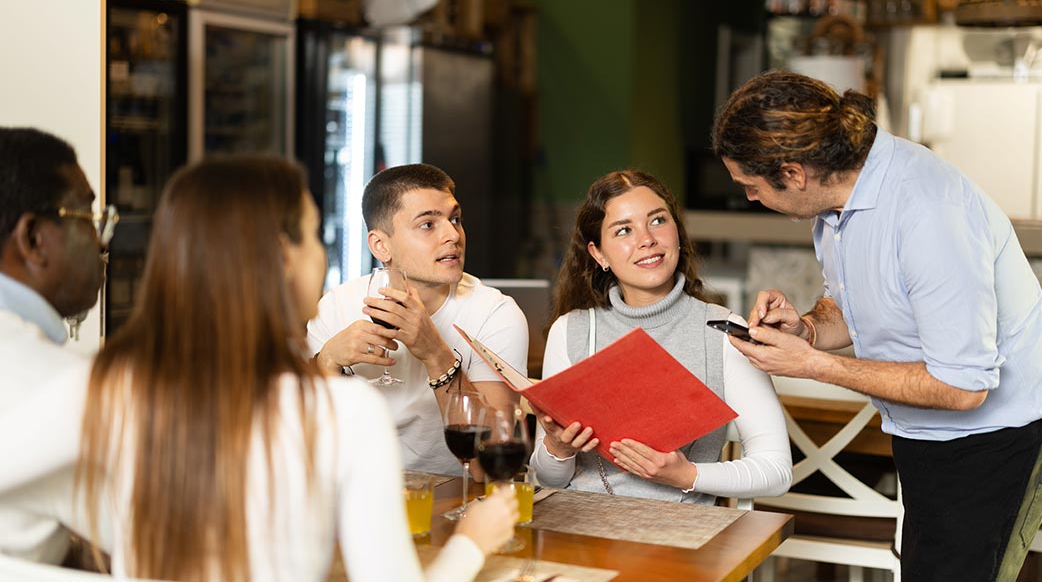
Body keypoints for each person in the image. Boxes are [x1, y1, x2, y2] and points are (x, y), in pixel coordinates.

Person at [0, 156, 517, 581]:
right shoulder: (342, 411)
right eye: (315, 236)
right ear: (282, 257)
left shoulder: (109, 389)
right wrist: (473, 542)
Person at [713, 70, 1042, 581]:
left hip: (989, 440)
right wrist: (806, 329)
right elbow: (850, 300)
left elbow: (962, 387)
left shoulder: (928, 212)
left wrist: (814, 365)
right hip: (922, 431)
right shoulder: (838, 202)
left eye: (752, 187)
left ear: (794, 172)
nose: (753, 200)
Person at [529, 169, 792, 503]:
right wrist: (558, 447)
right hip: (582, 529)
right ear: (599, 255)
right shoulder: (573, 330)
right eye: (624, 230)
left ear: (677, 233)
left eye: (657, 221)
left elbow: (776, 471)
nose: (646, 239)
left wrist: (686, 475)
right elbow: (547, 480)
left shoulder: (723, 331)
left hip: (680, 536)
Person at [308, 163, 528, 476]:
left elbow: (489, 467)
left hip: (455, 498)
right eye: (428, 225)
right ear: (381, 246)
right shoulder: (335, 307)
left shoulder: (496, 314)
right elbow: (294, 443)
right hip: (354, 494)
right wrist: (326, 362)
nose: (453, 235)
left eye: (455, 219)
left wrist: (435, 353)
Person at [0, 127, 112, 564]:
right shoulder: (61, 385)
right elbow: (167, 532)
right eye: (87, 218)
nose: (102, 242)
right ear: (32, 239)